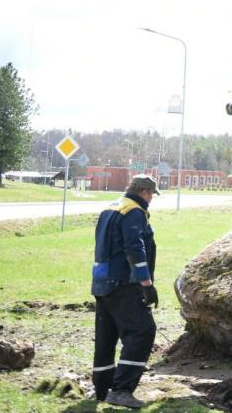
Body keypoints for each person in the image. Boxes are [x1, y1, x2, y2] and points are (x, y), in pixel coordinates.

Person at [90, 174, 159, 409]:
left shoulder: (112, 207)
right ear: (144, 192)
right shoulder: (134, 212)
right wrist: (146, 284)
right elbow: (134, 248)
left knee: (106, 337)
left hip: (101, 281)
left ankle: (101, 388)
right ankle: (121, 390)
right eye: (151, 195)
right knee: (143, 330)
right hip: (123, 283)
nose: (151, 199)